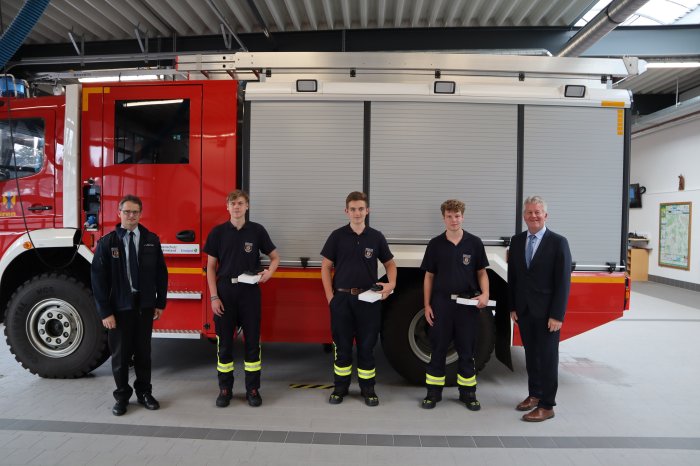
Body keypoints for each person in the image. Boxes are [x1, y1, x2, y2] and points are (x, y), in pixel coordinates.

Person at [91, 194, 168, 416]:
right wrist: (105, 312)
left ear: (141, 214)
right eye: (127, 212)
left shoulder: (151, 239)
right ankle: (122, 397)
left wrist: (159, 302)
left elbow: (161, 273)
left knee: (144, 353)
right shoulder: (107, 243)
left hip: (144, 306)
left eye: (135, 212)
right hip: (119, 308)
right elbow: (98, 280)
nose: (131, 216)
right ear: (119, 213)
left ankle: (144, 393)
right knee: (120, 356)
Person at [204, 190, 279, 408]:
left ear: (247, 206)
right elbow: (210, 267)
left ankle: (252, 390)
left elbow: (275, 257)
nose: (236, 207)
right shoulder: (217, 233)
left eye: (240, 203)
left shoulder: (257, 231)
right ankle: (225, 389)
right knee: (224, 345)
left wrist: (269, 272)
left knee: (252, 343)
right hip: (225, 292)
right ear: (227, 207)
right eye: (233, 203)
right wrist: (214, 297)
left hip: (250, 293)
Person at [321, 191, 397, 406]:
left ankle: (368, 389)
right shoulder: (337, 236)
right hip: (342, 299)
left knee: (366, 347)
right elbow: (325, 267)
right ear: (346, 211)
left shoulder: (376, 237)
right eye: (353, 209)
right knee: (342, 347)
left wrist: (391, 284)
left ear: (367, 211)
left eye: (361, 209)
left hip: (368, 300)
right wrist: (330, 297)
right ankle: (340, 388)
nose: (357, 213)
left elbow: (390, 264)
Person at [420, 199, 490, 411]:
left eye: (457, 216)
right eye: (449, 216)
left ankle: (468, 394)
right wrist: (427, 305)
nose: (453, 220)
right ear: (443, 218)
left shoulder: (474, 243)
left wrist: (485, 294)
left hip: (466, 305)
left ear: (463, 216)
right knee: (438, 349)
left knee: (467, 351)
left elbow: (481, 272)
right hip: (441, 304)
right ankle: (433, 393)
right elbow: (429, 277)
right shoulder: (435, 244)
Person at [508, 195, 572, 422]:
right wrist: (513, 306)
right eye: (529, 212)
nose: (533, 216)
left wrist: (557, 315)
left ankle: (547, 405)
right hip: (524, 311)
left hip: (547, 314)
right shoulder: (517, 241)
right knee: (531, 356)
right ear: (524, 216)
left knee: (547, 358)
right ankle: (534, 395)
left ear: (545, 215)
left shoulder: (558, 242)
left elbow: (563, 282)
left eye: (537, 212)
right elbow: (513, 277)